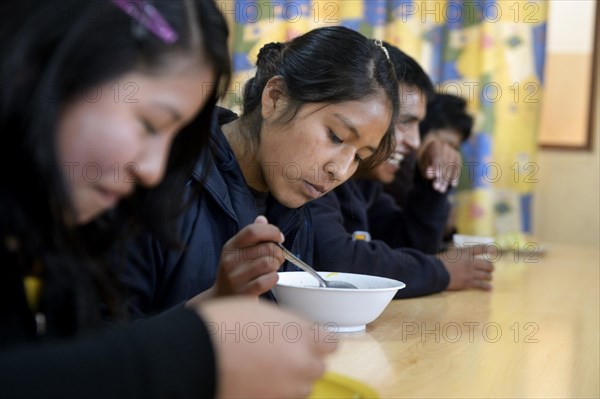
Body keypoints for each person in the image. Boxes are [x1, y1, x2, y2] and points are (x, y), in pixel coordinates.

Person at [0, 1, 335, 398]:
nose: (153, 171)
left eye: (173, 139)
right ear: (42, 70)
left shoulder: (56, 237)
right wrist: (195, 354)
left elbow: (70, 360)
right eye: (149, 124)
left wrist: (217, 305)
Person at [122, 26, 400, 316]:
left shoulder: (292, 207)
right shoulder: (160, 177)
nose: (340, 171)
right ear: (276, 98)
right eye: (336, 137)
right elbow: (99, 349)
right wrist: (214, 306)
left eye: (359, 157)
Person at [309, 43, 494, 298]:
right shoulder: (317, 172)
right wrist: (440, 271)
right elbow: (335, 264)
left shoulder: (362, 183)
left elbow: (408, 245)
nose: (416, 143)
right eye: (404, 122)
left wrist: (431, 186)